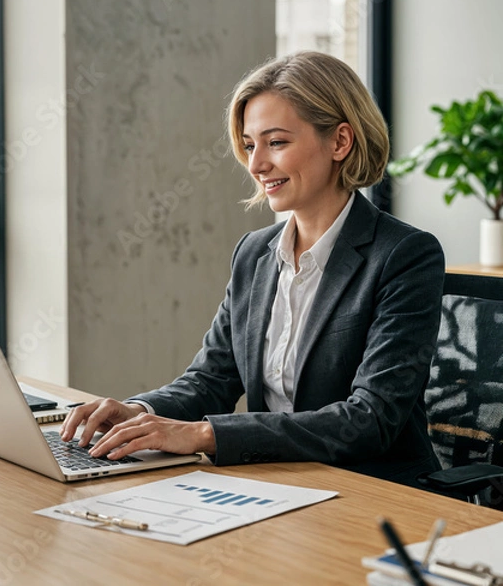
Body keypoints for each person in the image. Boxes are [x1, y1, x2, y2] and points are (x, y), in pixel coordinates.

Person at [61, 51, 445, 487]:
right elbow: (211, 379)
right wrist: (140, 412)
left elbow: (372, 418)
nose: (256, 164)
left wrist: (205, 434)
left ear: (340, 142)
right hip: (277, 480)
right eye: (249, 145)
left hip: (373, 490)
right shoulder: (255, 252)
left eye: (276, 142)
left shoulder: (406, 255)